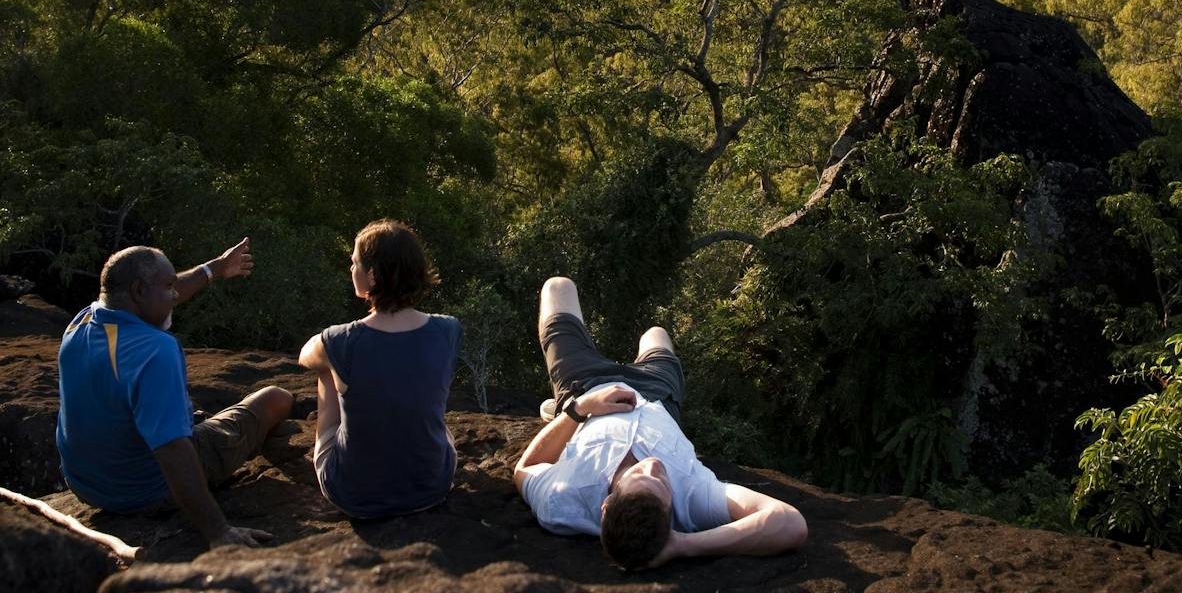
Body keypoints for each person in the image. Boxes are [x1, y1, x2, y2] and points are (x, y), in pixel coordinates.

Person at [513, 275, 807, 571]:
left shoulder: (564, 500)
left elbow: (524, 470)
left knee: (558, 287)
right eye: (662, 482)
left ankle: (558, 415)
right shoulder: (692, 498)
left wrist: (577, 411)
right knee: (656, 334)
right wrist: (682, 545)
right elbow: (789, 523)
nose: (654, 465)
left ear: (606, 505)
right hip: (656, 394)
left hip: (587, 387)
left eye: (642, 474)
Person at [56, 238, 293, 549]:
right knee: (276, 398)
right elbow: (172, 451)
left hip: (87, 486)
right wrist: (218, 532)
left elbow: (165, 291)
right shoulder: (154, 350)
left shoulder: (82, 321)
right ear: (140, 291)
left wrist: (216, 268)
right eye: (168, 287)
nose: (174, 294)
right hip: (146, 491)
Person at [297, 220, 461, 517]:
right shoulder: (448, 329)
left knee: (326, 369)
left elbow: (305, 357)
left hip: (353, 494)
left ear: (371, 276)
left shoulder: (340, 340)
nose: (351, 270)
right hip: (431, 488)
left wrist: (333, 355)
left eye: (355, 263)